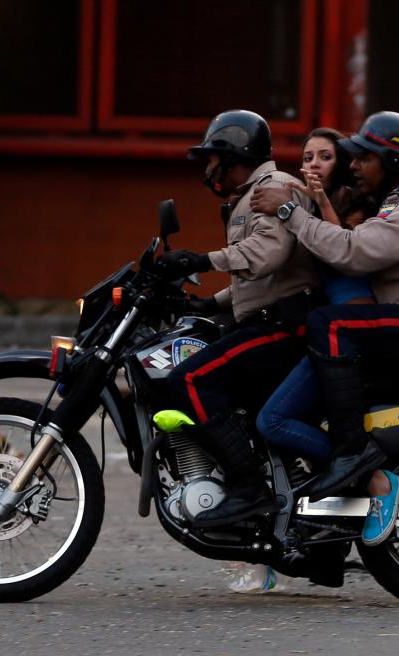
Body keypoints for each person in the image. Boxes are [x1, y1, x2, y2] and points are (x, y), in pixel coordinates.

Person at [250, 111, 399, 547]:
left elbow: (354, 253)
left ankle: (354, 456)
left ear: (392, 163)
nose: (354, 165)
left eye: (365, 158)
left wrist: (287, 210)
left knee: (332, 326)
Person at [153, 109, 321, 528]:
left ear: (234, 156)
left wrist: (201, 260)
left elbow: (268, 255)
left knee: (189, 380)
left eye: (212, 159)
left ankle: (249, 488)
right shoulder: (252, 194)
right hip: (267, 318)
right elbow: (261, 281)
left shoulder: (274, 187)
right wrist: (207, 305)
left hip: (283, 327)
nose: (208, 169)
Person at [255, 130, 376, 467]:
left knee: (274, 419)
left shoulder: (355, 202)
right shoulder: (307, 199)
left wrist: (311, 203)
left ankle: (356, 472)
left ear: (341, 162)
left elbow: (340, 249)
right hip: (324, 324)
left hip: (352, 325)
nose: (314, 164)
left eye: (325, 156)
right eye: (308, 157)